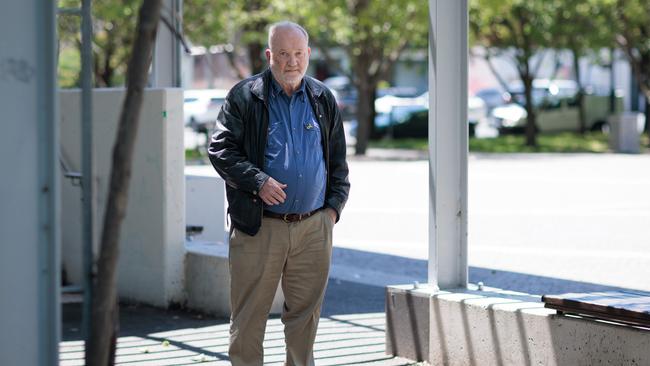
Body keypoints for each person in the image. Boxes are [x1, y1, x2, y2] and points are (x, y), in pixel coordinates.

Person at [208, 21, 350, 366]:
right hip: (260, 227)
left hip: (314, 227)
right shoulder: (245, 95)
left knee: (305, 318)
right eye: (284, 54)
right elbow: (220, 150)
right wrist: (258, 181)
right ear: (270, 55)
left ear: (309, 55)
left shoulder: (322, 97)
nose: (292, 62)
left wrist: (331, 210)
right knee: (249, 319)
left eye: (298, 54)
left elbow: (338, 161)